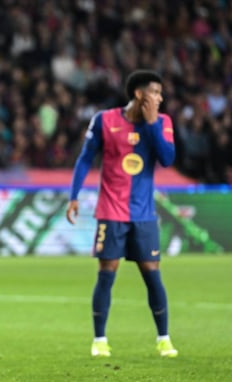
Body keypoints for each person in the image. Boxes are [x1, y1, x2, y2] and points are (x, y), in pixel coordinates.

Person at [66, 70, 178, 359]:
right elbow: (85, 158)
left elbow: (167, 159)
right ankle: (99, 340)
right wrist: (74, 196)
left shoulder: (162, 122)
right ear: (139, 94)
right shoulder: (104, 120)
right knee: (107, 274)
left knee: (152, 275)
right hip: (111, 211)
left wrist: (151, 124)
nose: (160, 98)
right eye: (155, 92)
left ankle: (164, 338)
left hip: (143, 214)